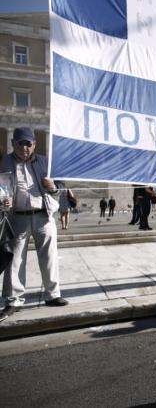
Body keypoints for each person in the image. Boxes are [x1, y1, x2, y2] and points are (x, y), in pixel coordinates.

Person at [0, 128, 68, 323]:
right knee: (15, 260)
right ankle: (13, 300)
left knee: (49, 257)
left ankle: (52, 294)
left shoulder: (45, 162)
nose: (25, 147)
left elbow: (61, 188)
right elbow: (0, 187)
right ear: (14, 144)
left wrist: (53, 187)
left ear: (34, 145)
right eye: (21, 143)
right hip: (17, 217)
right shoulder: (5, 162)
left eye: (28, 143)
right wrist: (1, 200)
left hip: (43, 216)